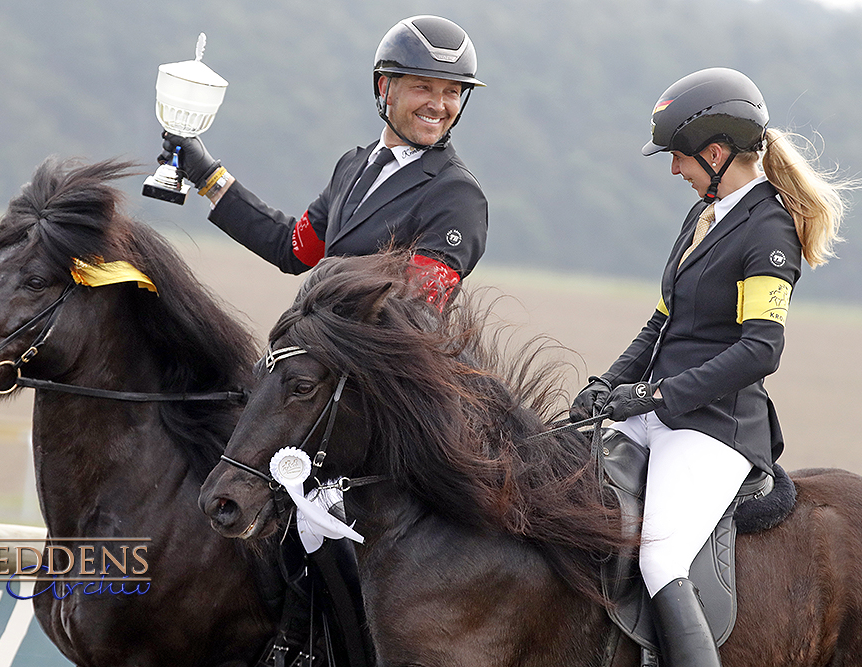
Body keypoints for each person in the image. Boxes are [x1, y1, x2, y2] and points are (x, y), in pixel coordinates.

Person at [569, 67, 851, 667]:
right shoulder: (704, 214)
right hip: (658, 410)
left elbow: (760, 350)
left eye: (680, 158)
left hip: (715, 428)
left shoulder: (770, 230)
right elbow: (661, 322)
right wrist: (607, 383)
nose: (674, 170)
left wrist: (656, 397)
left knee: (660, 558)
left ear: (717, 153)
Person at [159, 15, 488, 306]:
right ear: (386, 88)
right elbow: (294, 249)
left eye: (452, 92)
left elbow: (412, 309)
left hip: (378, 370)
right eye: (423, 87)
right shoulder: (353, 166)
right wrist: (209, 177)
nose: (439, 105)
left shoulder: (457, 194)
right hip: (317, 356)